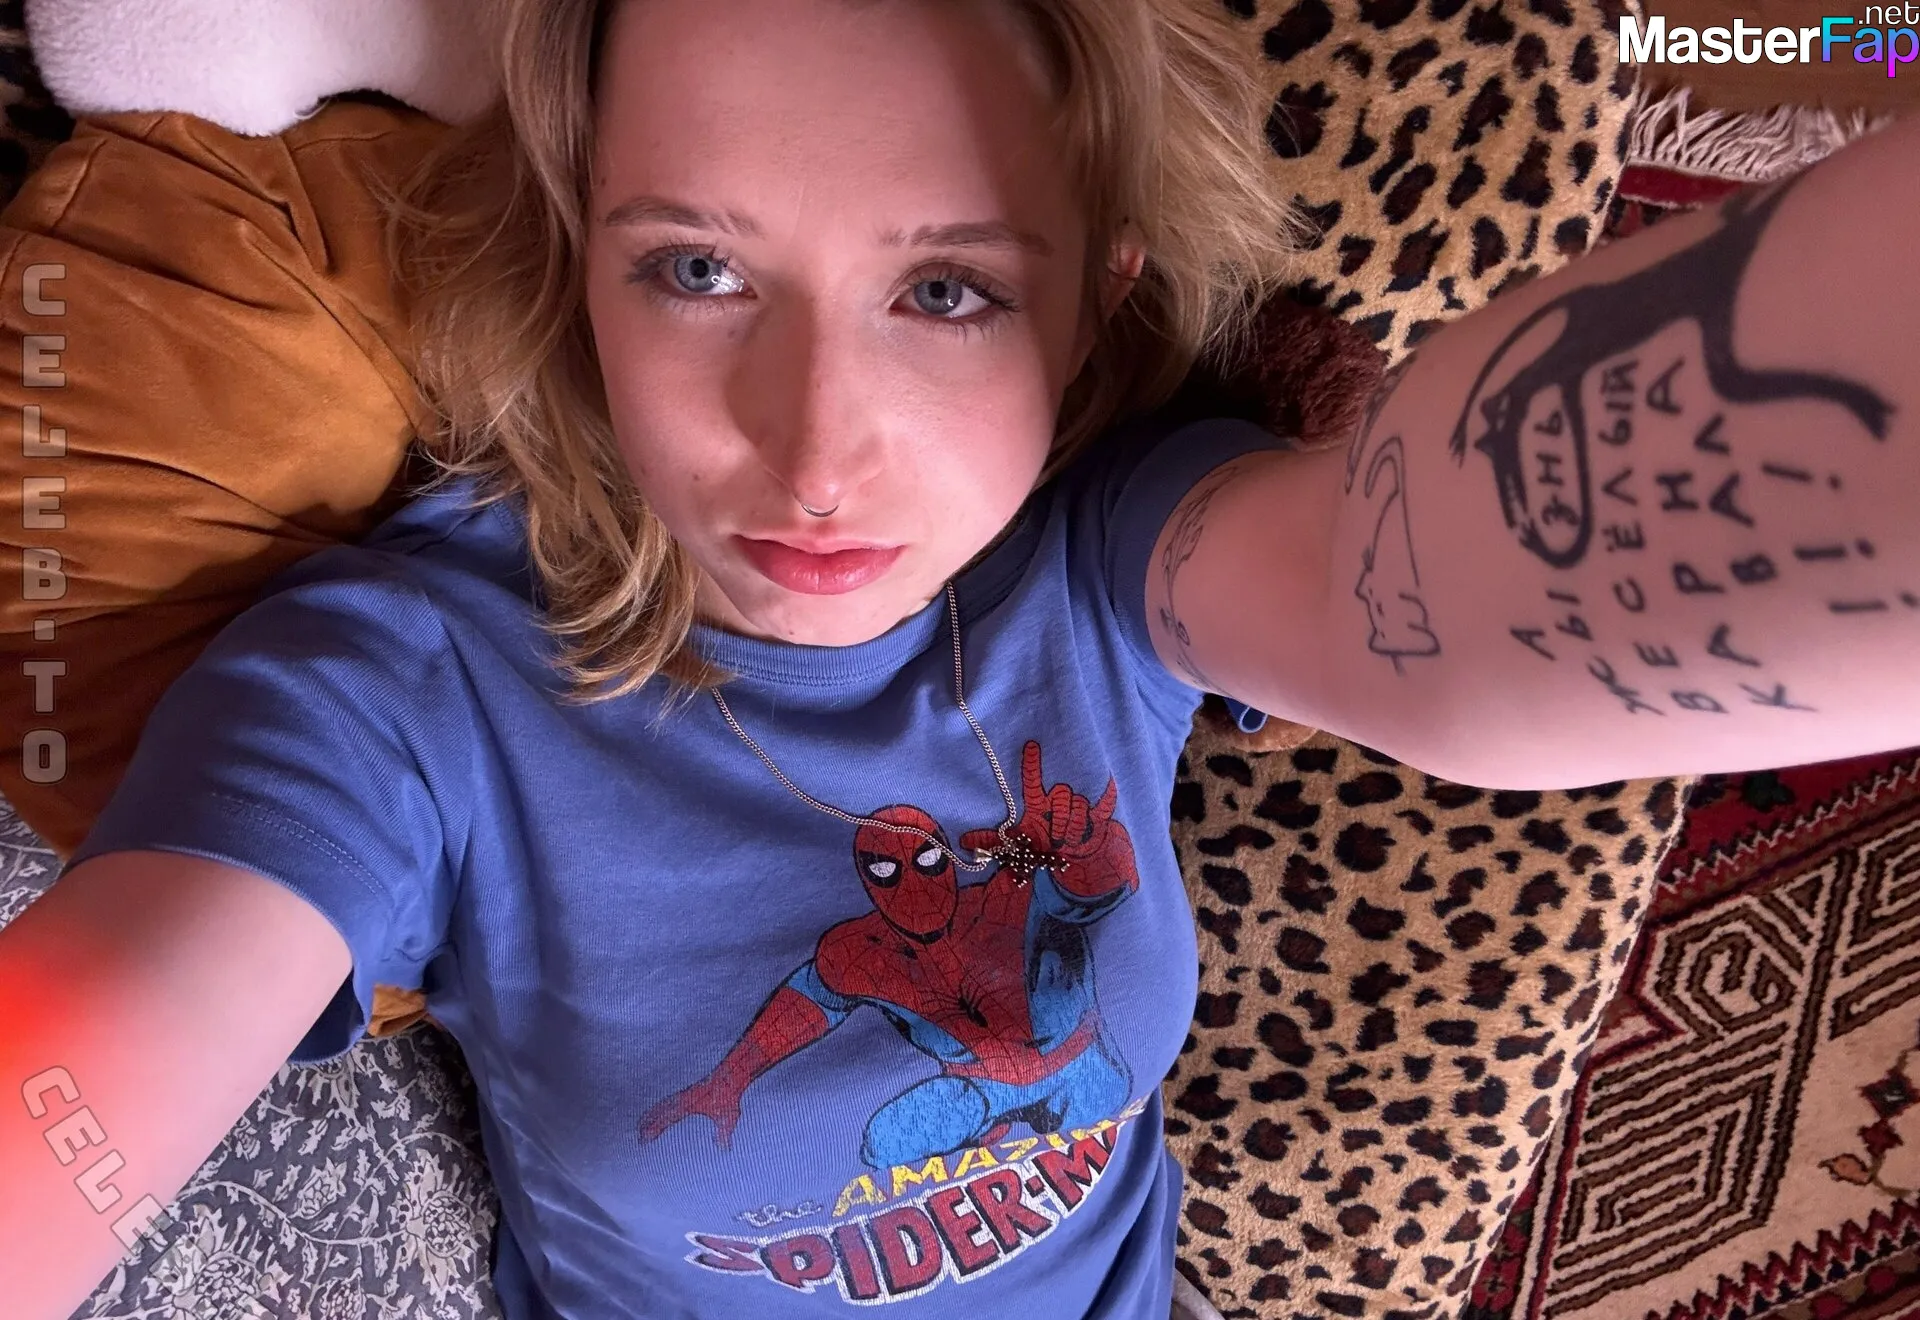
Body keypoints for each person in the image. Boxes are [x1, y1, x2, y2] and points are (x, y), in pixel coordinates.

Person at [2, 0, 1918, 1316]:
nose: (814, 449)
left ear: (1097, 302)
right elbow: (106, 1041)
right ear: (577, 262)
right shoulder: (405, 694)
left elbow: (1414, 595)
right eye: (698, 269)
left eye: (946, 290)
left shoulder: (1107, 560)